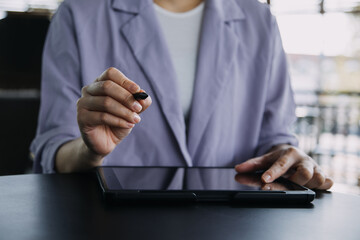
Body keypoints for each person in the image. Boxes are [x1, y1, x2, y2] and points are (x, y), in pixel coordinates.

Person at [31, 0, 333, 190]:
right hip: (114, 223)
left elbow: (274, 135)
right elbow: (52, 149)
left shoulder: (259, 19)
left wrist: (285, 156)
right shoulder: (79, 12)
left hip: (232, 224)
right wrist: (90, 151)